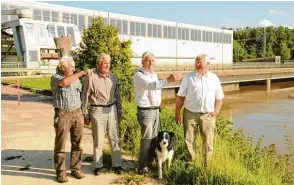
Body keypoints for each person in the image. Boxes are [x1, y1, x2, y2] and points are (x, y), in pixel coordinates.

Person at [133, 51, 181, 174]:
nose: (151, 63)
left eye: (153, 60)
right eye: (148, 60)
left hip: (155, 110)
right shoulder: (139, 75)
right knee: (147, 139)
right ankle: (142, 166)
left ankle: (150, 162)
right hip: (146, 111)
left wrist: (159, 104)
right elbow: (149, 86)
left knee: (154, 139)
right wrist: (167, 80)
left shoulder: (154, 74)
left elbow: (156, 89)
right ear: (142, 62)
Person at [175, 54, 224, 166]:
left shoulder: (214, 78)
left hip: (208, 115)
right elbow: (180, 97)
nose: (197, 64)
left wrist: (216, 111)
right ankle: (191, 164)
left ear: (208, 64)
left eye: (200, 62)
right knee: (189, 141)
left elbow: (219, 97)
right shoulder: (188, 78)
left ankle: (206, 166)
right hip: (190, 114)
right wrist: (177, 113)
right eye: (196, 62)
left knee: (208, 142)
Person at [81, 53, 124, 176]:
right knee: (98, 140)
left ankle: (117, 165)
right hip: (97, 110)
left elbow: (117, 95)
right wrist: (85, 114)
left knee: (114, 139)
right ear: (99, 63)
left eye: (109, 63)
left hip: (112, 110)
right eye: (105, 63)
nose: (108, 65)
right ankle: (98, 166)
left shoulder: (113, 77)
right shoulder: (91, 77)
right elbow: (85, 97)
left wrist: (120, 110)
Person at [51, 56, 90, 183]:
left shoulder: (76, 79)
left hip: (77, 112)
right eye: (71, 66)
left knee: (77, 143)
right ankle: (61, 173)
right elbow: (64, 83)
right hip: (63, 114)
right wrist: (81, 73)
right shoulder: (56, 77)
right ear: (63, 67)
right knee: (60, 145)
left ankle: (75, 168)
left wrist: (83, 113)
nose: (74, 68)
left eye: (74, 66)